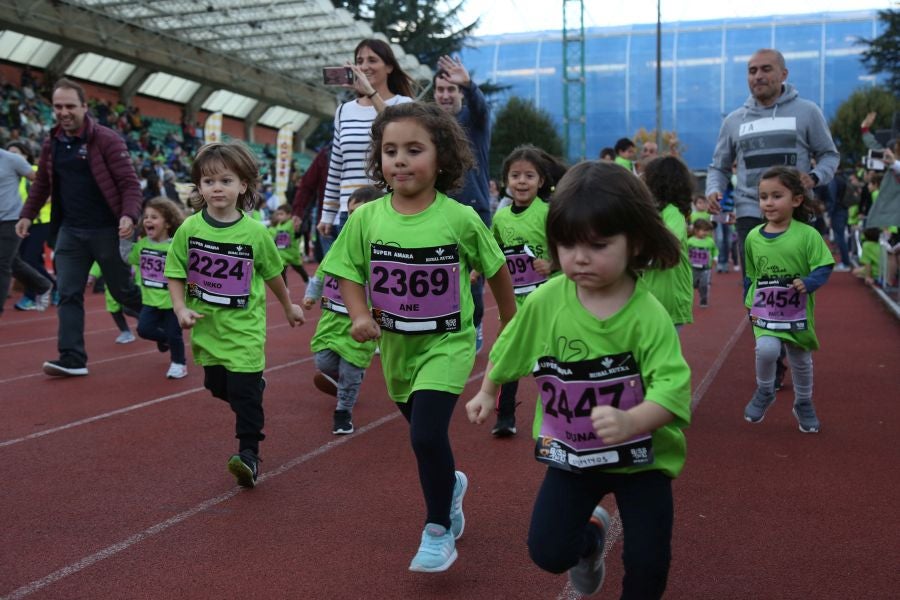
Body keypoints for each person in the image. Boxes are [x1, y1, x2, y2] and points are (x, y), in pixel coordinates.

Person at [465, 160, 691, 599]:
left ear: (636, 242)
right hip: (574, 456)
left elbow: (673, 386)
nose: (580, 258)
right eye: (567, 245)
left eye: (599, 245)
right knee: (548, 552)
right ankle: (590, 542)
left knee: (648, 564)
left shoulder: (648, 316)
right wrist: (489, 389)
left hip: (642, 460)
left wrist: (634, 419)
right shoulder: (548, 299)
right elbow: (512, 344)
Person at [321, 102, 517, 573]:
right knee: (420, 431)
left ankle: (437, 529)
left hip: (448, 344)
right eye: (390, 151)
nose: (401, 160)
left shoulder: (460, 218)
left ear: (442, 157)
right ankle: (450, 486)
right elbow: (345, 270)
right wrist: (359, 313)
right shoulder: (367, 218)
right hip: (396, 348)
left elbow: (496, 269)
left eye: (414, 149)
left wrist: (511, 322)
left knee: (426, 435)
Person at [164, 141, 305, 488]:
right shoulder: (190, 229)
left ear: (243, 186)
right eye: (209, 181)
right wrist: (180, 307)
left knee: (243, 394)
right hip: (207, 328)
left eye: (226, 180)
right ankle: (252, 392)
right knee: (216, 385)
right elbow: (175, 271)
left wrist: (288, 306)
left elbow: (274, 273)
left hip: (244, 329)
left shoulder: (256, 232)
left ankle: (249, 456)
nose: (217, 188)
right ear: (199, 187)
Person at [16, 78, 144, 376]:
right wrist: (27, 214)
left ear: (84, 107)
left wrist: (128, 215)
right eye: (57, 106)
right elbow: (43, 184)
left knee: (123, 292)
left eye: (70, 106)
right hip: (71, 231)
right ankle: (72, 358)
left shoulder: (107, 139)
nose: (63, 112)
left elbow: (129, 184)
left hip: (107, 231)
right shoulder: (52, 143)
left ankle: (163, 326)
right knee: (68, 292)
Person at [706, 49, 839, 277]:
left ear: (783, 74)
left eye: (766, 69)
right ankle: (755, 314)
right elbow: (719, 167)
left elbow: (829, 155)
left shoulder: (807, 112)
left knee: (794, 285)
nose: (758, 76)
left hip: (796, 210)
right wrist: (713, 189)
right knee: (755, 285)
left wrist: (814, 177)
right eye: (752, 71)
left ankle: (793, 314)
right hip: (750, 210)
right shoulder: (733, 121)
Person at [743, 167, 834, 433]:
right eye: (763, 197)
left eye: (776, 196)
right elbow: (750, 274)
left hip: (797, 313)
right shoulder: (752, 237)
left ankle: (803, 402)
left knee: (800, 359)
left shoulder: (807, 235)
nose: (768, 203)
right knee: (767, 350)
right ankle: (765, 389)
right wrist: (747, 300)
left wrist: (808, 283)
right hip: (764, 310)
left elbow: (824, 266)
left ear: (796, 200)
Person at [317, 39, 415, 253]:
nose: (364, 66)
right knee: (349, 283)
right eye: (359, 61)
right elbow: (336, 166)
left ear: (389, 67)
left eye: (373, 60)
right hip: (349, 210)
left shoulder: (404, 104)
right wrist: (327, 213)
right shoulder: (344, 111)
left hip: (389, 208)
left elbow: (396, 128)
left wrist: (371, 93)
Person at [489, 145, 558, 437]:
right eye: (515, 175)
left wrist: (552, 264)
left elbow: (567, 247)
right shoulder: (501, 217)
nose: (521, 181)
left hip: (547, 300)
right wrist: (480, 268)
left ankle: (555, 415)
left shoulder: (549, 213)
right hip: (514, 301)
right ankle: (505, 416)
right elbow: (493, 250)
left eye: (529, 175)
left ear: (541, 181)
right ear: (506, 180)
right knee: (508, 353)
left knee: (549, 359)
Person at [303, 185, 381, 435]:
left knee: (350, 369)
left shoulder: (382, 250)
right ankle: (347, 383)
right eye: (350, 213)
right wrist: (310, 296)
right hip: (331, 320)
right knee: (323, 361)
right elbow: (321, 273)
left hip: (360, 327)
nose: (354, 218)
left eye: (361, 213)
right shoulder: (339, 245)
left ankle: (343, 412)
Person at [433, 54, 493, 353]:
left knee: (472, 279)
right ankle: (446, 330)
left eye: (451, 90)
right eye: (441, 90)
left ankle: (475, 322)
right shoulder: (429, 125)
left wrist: (469, 85)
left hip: (474, 209)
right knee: (442, 275)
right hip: (439, 211)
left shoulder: (475, 120)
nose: (446, 95)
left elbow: (482, 107)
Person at [123, 197, 188, 379]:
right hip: (150, 300)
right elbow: (127, 257)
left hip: (172, 301)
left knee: (175, 334)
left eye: (154, 217)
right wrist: (125, 238)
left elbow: (188, 269)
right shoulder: (142, 245)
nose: (148, 221)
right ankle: (165, 340)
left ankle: (179, 363)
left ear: (167, 223)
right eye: (146, 217)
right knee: (144, 329)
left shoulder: (175, 246)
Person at [641, 155, 694, 330]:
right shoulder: (656, 212)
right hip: (654, 293)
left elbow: (669, 246)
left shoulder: (672, 213)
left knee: (663, 353)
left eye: (646, 178)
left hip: (669, 295)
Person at [1, 142, 50, 316]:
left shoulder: (12, 160)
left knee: (3, 263)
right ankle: (43, 285)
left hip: (12, 219)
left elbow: (41, 182)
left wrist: (35, 207)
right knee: (13, 261)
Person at [86, 261, 135, 344]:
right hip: (111, 283)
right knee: (113, 308)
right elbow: (99, 261)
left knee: (130, 307)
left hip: (128, 279)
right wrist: (92, 275)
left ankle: (147, 322)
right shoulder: (103, 250)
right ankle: (125, 331)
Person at [269, 203, 309, 286]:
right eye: (278, 214)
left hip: (293, 254)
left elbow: (301, 228)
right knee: (282, 271)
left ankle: (308, 282)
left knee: (300, 270)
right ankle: (285, 289)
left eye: (281, 214)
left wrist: (299, 228)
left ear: (289, 215)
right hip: (282, 254)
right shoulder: (278, 225)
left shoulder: (292, 223)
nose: (279, 216)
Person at [687, 218, 718, 307]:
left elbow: (715, 250)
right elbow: (685, 251)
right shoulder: (690, 241)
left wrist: (715, 258)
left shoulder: (710, 241)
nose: (705, 233)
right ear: (696, 230)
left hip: (706, 268)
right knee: (692, 284)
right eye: (703, 230)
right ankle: (696, 287)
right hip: (693, 267)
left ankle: (703, 299)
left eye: (707, 231)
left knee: (704, 284)